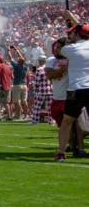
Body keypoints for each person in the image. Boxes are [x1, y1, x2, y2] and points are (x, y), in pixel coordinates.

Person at [56, 16, 89, 162]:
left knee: (67, 121)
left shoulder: (69, 49)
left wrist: (70, 38)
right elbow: (81, 29)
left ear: (76, 35)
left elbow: (61, 49)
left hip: (75, 89)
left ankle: (61, 152)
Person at [10, 45, 30, 120]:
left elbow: (11, 58)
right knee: (24, 101)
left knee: (16, 101)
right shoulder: (25, 66)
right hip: (24, 85)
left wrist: (9, 51)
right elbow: (22, 58)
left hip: (17, 85)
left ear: (18, 61)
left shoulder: (16, 66)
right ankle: (26, 115)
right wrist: (17, 50)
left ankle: (18, 115)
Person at [0, 54, 13, 121]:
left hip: (0, 86)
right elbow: (12, 77)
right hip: (8, 86)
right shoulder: (8, 67)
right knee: (6, 103)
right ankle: (9, 116)